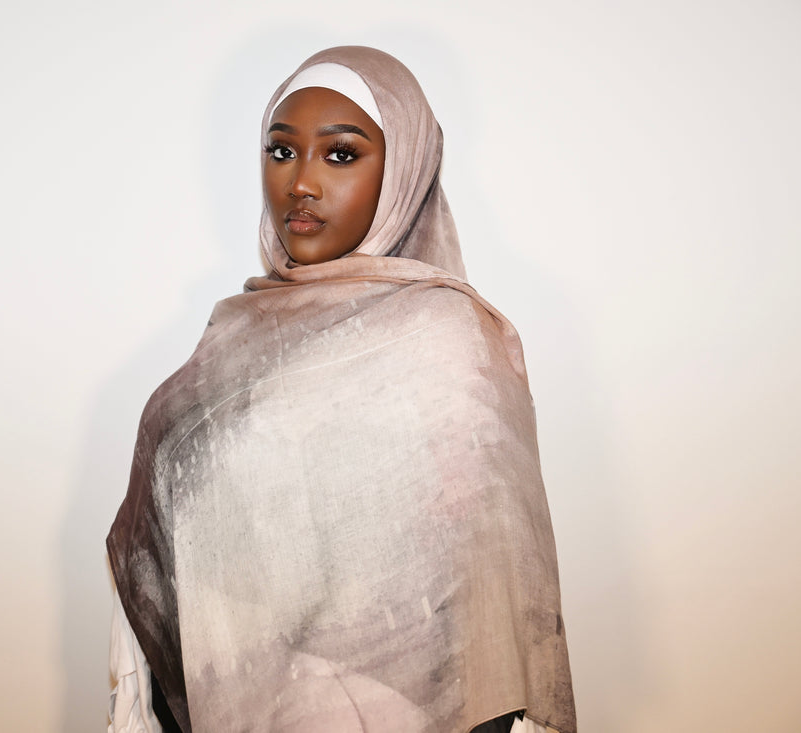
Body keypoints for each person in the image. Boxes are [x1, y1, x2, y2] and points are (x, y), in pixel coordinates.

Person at [106, 46, 576, 733]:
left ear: (404, 171)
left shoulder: (450, 345)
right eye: (281, 151)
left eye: (341, 154)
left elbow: (487, 605)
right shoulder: (226, 345)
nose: (301, 182)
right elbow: (162, 569)